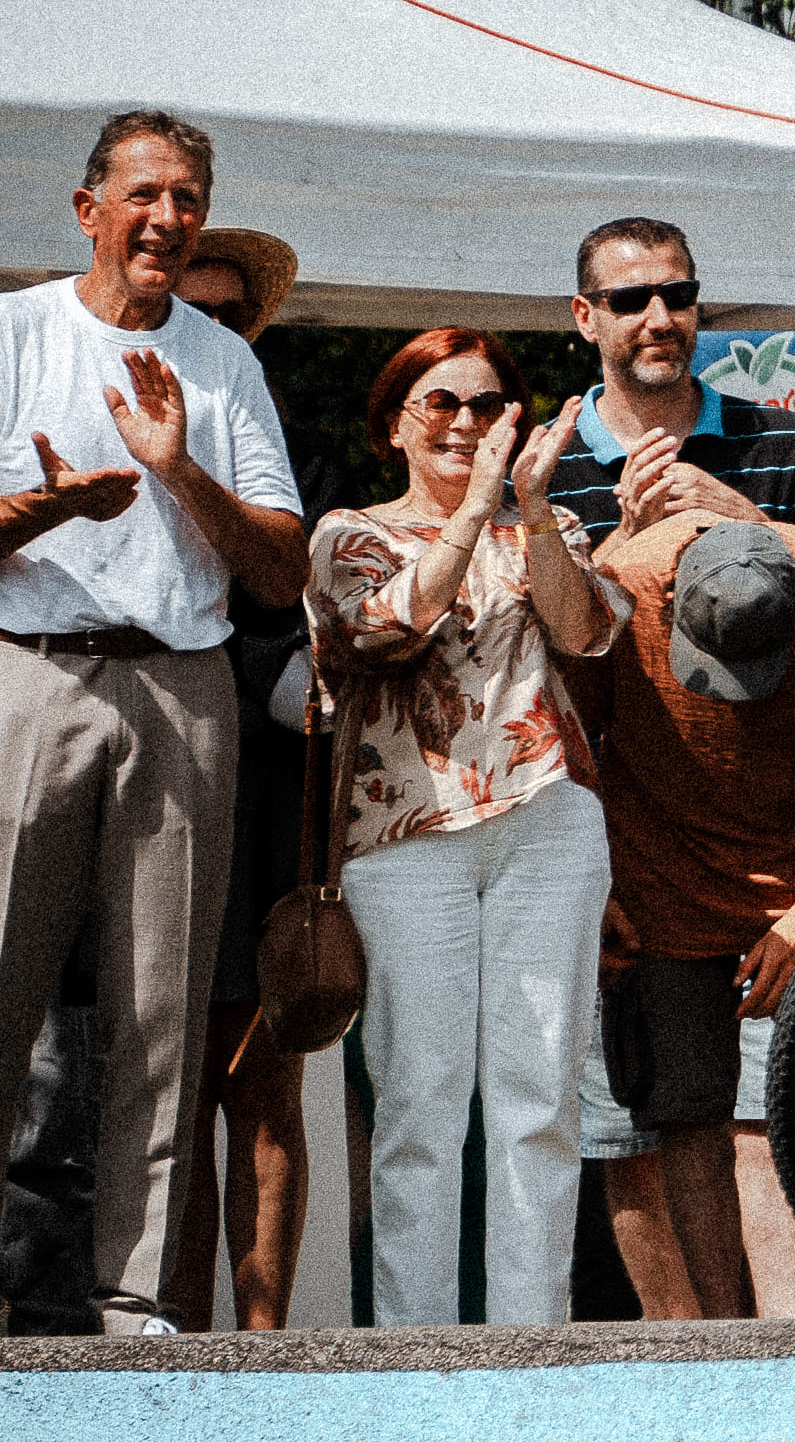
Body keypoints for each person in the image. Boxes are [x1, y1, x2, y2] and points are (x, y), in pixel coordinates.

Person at [0, 113, 307, 1332]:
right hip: (28, 676)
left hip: (184, 686)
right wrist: (48, 505)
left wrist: (180, 470)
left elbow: (281, 572)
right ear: (88, 210)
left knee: (164, 1015)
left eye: (190, 196)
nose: (169, 218)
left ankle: (133, 1306)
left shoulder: (223, 362)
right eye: (147, 194)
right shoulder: (16, 331)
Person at [306, 331, 621, 1325]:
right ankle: (417, 1351)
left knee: (542, 1095)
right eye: (442, 401)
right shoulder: (350, 532)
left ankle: (532, 1343)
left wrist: (526, 512)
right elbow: (381, 629)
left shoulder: (544, 520)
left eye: (488, 405)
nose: (466, 424)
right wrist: (476, 505)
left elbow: (585, 633)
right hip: (408, 834)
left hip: (548, 817)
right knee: (418, 1102)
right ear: (397, 418)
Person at [581, 514, 795, 1319]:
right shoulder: (622, 592)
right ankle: (725, 1341)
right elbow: (570, 740)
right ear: (674, 597)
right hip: (660, 887)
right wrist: (597, 886)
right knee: (685, 1109)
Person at [157, 231, 314, 1334]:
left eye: (229, 312)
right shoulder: (91, 418)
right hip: (151, 774)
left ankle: (260, 1349)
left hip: (268, 794)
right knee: (165, 1082)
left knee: (261, 1081)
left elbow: (303, 605)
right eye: (188, 302)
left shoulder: (274, 435)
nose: (209, 325)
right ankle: (168, 1335)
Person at [543, 218, 795, 552]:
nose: (660, 320)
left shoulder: (788, 444)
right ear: (586, 318)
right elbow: (531, 605)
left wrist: (751, 523)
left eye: (678, 295)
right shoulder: (541, 468)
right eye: (630, 299)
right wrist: (630, 533)